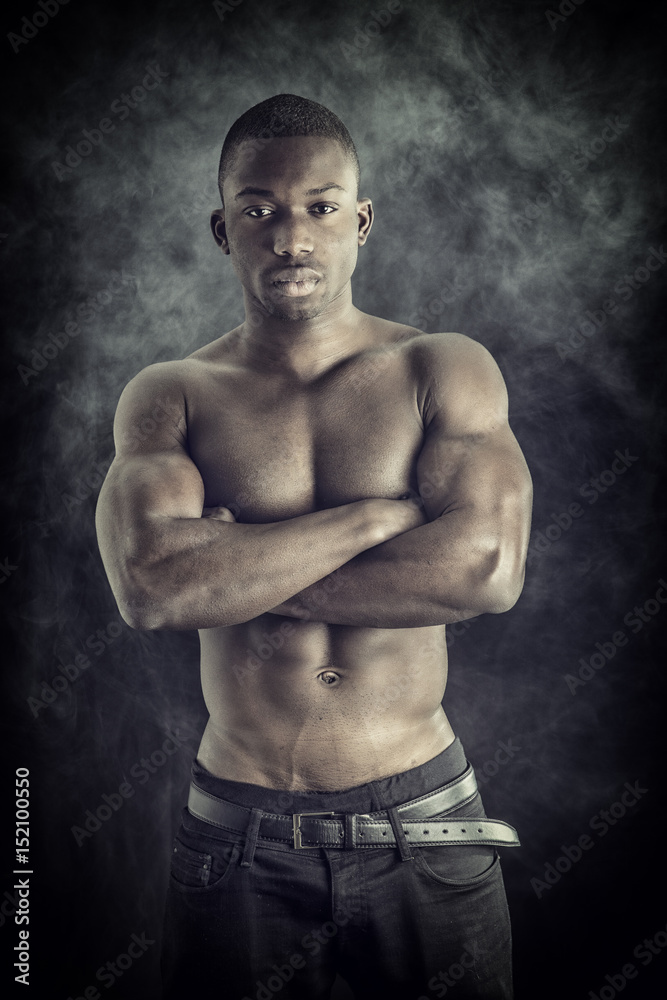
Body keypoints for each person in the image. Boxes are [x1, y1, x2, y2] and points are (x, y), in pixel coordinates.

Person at [95, 93, 532, 1000]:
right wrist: (375, 519)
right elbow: (153, 592)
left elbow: (485, 569)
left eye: (320, 207)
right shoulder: (171, 394)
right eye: (259, 209)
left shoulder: (438, 367)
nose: (290, 235)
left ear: (360, 221)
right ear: (223, 228)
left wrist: (240, 566)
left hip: (425, 824)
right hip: (239, 833)